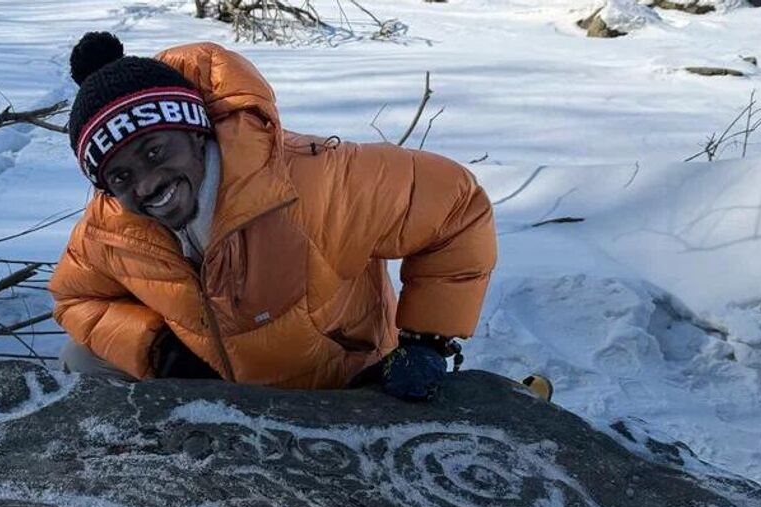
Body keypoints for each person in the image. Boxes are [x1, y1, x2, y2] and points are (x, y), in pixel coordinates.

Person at [48, 32, 496, 401]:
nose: (146, 184)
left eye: (155, 152)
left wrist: (427, 342)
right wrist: (160, 351)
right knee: (80, 356)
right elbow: (76, 300)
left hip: (345, 382)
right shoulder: (110, 228)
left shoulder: (319, 181)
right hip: (224, 391)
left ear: (194, 129)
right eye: (121, 176)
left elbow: (458, 208)